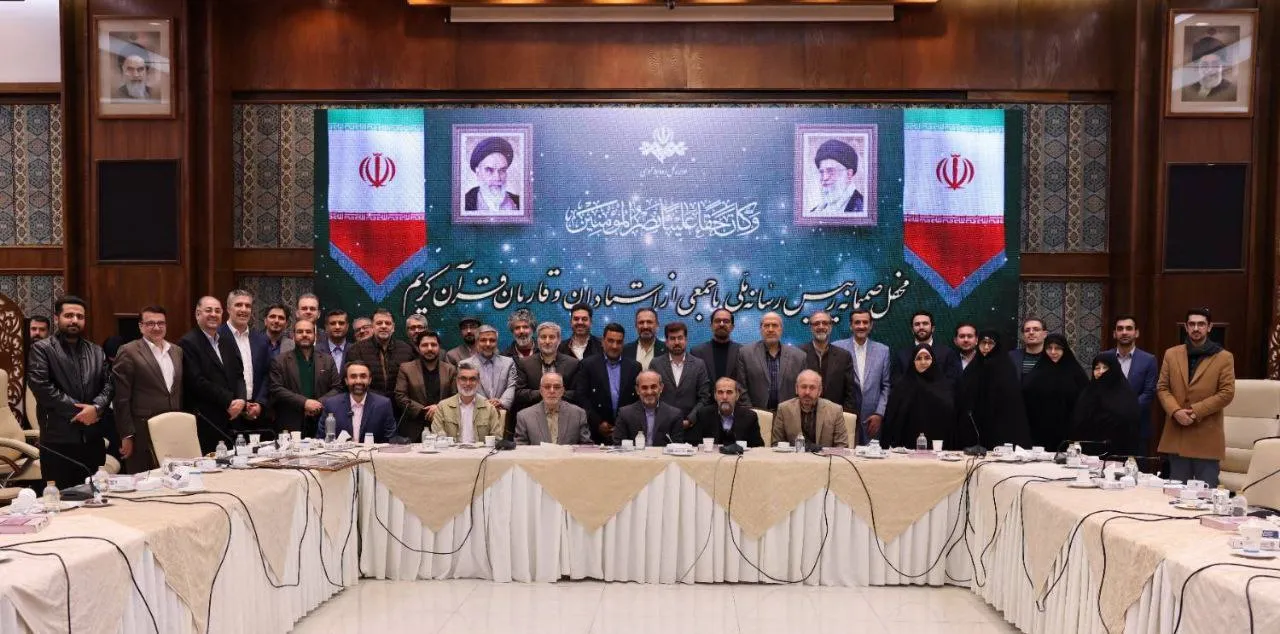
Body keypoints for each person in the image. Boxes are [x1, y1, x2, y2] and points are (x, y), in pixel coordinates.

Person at [27, 296, 114, 488]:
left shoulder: (97, 351)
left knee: (94, 496)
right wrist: (82, 413)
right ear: (57, 318)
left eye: (79, 316)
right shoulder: (42, 349)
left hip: (92, 439)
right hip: (58, 440)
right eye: (69, 315)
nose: (75, 320)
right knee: (60, 498)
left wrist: (96, 408)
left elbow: (109, 385)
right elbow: (42, 387)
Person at [1156, 308, 1236, 487]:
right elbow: (1162, 387)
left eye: (1201, 324)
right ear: (1186, 327)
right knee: (1175, 493)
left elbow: (1226, 393)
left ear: (1209, 327)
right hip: (1177, 434)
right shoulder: (1171, 354)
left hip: (1206, 436)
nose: (1196, 328)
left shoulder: (1224, 357)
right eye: (1192, 324)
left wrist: (1195, 411)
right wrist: (1176, 411)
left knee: (1205, 495)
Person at [111, 305, 182, 473]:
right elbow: (121, 398)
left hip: (172, 428)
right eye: (150, 323)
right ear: (141, 326)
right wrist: (127, 435)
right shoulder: (128, 351)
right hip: (142, 431)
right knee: (144, 480)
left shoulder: (176, 351)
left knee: (172, 478)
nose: (156, 327)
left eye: (161, 323)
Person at [179, 296, 247, 454]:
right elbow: (197, 381)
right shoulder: (188, 342)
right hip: (207, 420)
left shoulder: (227, 342)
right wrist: (229, 400)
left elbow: (239, 375)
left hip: (233, 419)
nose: (213, 314)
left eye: (217, 311)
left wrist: (241, 400)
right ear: (198, 314)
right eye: (208, 310)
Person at [953, 330, 1031, 449]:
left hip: (999, 427)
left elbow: (1011, 402)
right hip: (975, 427)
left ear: (997, 345)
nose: (986, 347)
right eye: (983, 343)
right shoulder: (973, 368)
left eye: (990, 343)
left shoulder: (1006, 368)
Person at [268, 319, 342, 436]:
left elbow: (337, 388)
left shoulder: (327, 360)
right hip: (291, 423)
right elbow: (276, 388)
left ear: (315, 336)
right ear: (293, 335)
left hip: (320, 421)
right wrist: (304, 402)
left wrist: (317, 404)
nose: (304, 335)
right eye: (300, 332)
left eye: (308, 332)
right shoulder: (280, 360)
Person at [510, 322, 580, 439]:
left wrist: (553, 395)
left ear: (559, 340)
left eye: (552, 337)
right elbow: (518, 393)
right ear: (537, 340)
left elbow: (577, 393)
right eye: (543, 337)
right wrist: (545, 393)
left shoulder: (573, 363)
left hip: (564, 420)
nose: (547, 341)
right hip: (533, 422)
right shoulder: (524, 363)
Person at [573, 323, 640, 444]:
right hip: (595, 433)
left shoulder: (634, 367)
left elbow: (637, 400)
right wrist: (598, 423)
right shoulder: (588, 365)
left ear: (623, 344)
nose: (614, 346)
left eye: (619, 342)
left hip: (626, 433)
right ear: (602, 342)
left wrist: (623, 423)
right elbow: (581, 397)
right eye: (610, 341)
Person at [833, 308, 891, 443]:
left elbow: (886, 385)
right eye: (857, 322)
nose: (861, 326)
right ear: (851, 325)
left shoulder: (883, 350)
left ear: (871, 325)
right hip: (844, 416)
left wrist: (879, 413)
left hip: (872, 419)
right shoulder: (837, 348)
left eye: (865, 322)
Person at [1022, 333, 1087, 452]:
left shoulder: (1076, 373)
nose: (1053, 352)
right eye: (1049, 348)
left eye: (1057, 348)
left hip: (1069, 432)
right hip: (1040, 432)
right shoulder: (1036, 373)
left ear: (1064, 350)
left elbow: (1084, 401)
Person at [882, 344, 955, 450]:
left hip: (938, 447)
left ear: (933, 360)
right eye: (919, 358)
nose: (923, 362)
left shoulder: (944, 387)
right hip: (906, 448)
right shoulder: (902, 387)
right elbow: (892, 420)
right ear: (913, 361)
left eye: (927, 358)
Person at [1104, 315, 1159, 455]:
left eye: (1129, 328)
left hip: (1137, 427)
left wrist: (1125, 410)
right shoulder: (1104, 358)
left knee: (1136, 467)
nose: (1124, 332)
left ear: (1136, 333)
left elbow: (1148, 393)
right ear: (1114, 333)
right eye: (1120, 328)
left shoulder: (1149, 360)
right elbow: (1098, 389)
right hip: (1108, 427)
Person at [1070, 355, 1140, 456]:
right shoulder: (1087, 392)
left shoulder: (1125, 394)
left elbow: (1128, 423)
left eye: (1105, 368)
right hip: (1087, 452)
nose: (1101, 371)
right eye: (1097, 368)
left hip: (1116, 453)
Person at [394, 331, 457, 442]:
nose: (429, 348)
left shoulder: (450, 369)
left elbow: (455, 396)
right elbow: (400, 396)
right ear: (418, 348)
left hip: (444, 426)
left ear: (439, 347)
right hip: (413, 427)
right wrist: (424, 411)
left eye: (433, 345)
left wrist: (439, 408)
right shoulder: (406, 368)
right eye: (424, 345)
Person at [736, 312, 806, 411]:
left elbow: (802, 388)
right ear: (761, 329)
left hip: (789, 414)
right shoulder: (745, 353)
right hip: (756, 413)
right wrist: (750, 412)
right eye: (766, 326)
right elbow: (741, 387)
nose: (770, 329)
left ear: (781, 329)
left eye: (775, 325)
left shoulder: (799, 356)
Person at [218, 289, 269, 425]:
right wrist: (235, 402)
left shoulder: (261, 339)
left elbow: (266, 374)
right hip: (228, 411)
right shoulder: (217, 337)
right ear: (228, 308)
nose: (244, 309)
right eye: (238, 305)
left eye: (248, 306)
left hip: (255, 412)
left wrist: (260, 403)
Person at [316, 361, 398, 443]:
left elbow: (391, 439)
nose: (358, 381)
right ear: (346, 380)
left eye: (363, 376)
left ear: (369, 380)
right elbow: (321, 439)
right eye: (353, 376)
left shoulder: (383, 404)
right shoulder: (332, 404)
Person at [651, 322, 711, 430]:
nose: (677, 342)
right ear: (666, 342)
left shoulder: (699, 364)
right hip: (662, 427)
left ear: (686, 340)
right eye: (672, 338)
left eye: (680, 338)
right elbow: (652, 394)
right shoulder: (656, 364)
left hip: (691, 427)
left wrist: (690, 419)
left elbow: (704, 397)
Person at [345, 308, 415, 399]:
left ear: (393, 327)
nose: (384, 326)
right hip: (369, 403)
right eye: (379, 323)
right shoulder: (357, 349)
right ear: (372, 327)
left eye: (388, 323)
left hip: (399, 403)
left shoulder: (406, 350)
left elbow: (411, 382)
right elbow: (351, 381)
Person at [798, 310, 858, 414]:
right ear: (810, 328)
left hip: (835, 416)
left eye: (825, 323)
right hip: (804, 414)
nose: (821, 326)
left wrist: (844, 416)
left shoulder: (844, 356)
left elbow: (850, 392)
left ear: (830, 327)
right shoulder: (799, 354)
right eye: (816, 323)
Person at [772, 370, 849, 448]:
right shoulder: (784, 409)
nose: (807, 392)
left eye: (812, 387)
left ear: (820, 391)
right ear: (796, 389)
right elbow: (776, 444)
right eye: (803, 387)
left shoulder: (835, 411)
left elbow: (842, 446)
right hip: (794, 455)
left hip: (824, 455)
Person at [433, 361, 504, 443]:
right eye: (463, 379)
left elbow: (497, 439)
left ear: (478, 382)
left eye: (472, 379)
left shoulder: (489, 408)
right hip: (451, 451)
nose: (468, 383)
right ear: (457, 381)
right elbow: (438, 437)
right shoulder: (443, 407)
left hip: (481, 451)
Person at [515, 372, 592, 445]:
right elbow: (520, 449)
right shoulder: (524, 416)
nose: (552, 391)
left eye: (557, 387)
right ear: (541, 391)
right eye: (547, 387)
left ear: (562, 391)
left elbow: (586, 447)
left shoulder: (578, 414)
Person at [613, 370, 683, 447]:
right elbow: (618, 446)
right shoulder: (625, 414)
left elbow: (678, 447)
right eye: (644, 388)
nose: (649, 392)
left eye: (653, 387)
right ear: (637, 390)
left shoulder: (674, 415)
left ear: (661, 388)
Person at [690, 377, 764, 447]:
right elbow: (695, 446)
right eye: (720, 392)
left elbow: (758, 448)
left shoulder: (750, 417)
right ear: (715, 396)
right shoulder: (703, 415)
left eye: (729, 392)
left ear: (737, 395)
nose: (724, 397)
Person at [892, 311, 960, 383]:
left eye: (925, 323)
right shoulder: (901, 355)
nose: (921, 327)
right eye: (917, 324)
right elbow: (896, 382)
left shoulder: (947, 353)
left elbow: (952, 382)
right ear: (912, 330)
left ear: (933, 328)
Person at [467, 324, 517, 412]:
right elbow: (467, 388)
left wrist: (501, 402)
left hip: (502, 412)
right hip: (476, 412)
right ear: (477, 342)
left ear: (496, 342)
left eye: (492, 340)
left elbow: (511, 386)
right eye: (483, 340)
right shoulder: (466, 365)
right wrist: (485, 403)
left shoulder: (508, 363)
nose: (488, 344)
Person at [464, 136, 520, 213]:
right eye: (489, 170)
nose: (497, 178)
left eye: (502, 170)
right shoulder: (464, 203)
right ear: (478, 172)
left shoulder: (518, 202)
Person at [807, 139, 864, 216]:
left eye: (831, 171)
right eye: (821, 172)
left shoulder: (862, 208)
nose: (825, 178)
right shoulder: (814, 212)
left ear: (849, 175)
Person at [691, 308, 742, 382]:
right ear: (711, 326)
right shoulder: (697, 352)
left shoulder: (742, 352)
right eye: (717, 321)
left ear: (732, 327)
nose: (721, 324)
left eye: (726, 321)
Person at [1181, 35, 1237, 102]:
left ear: (1222, 66)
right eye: (1205, 65)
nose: (1210, 70)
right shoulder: (1189, 89)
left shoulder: (1231, 90)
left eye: (1215, 64)